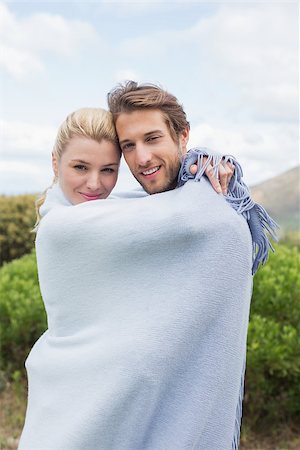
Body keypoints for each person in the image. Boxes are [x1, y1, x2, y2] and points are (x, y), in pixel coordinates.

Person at [18, 89, 275, 450]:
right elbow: (187, 213)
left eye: (108, 169)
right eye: (80, 167)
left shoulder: (115, 208)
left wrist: (197, 168)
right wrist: (203, 167)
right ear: (55, 162)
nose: (94, 184)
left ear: (182, 135)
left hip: (119, 407)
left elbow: (159, 210)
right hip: (71, 402)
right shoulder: (61, 227)